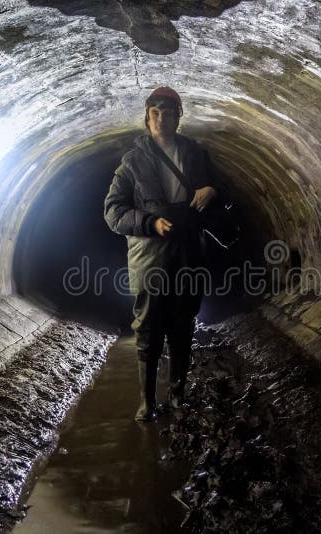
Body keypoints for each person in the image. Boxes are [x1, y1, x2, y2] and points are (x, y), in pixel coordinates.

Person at [103, 86, 229, 422]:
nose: (162, 119)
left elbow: (222, 187)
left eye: (169, 113)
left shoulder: (194, 153)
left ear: (179, 117)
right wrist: (148, 221)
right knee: (147, 327)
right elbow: (113, 212)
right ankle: (147, 401)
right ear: (147, 117)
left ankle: (177, 393)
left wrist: (211, 188)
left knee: (183, 324)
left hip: (189, 249)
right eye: (156, 113)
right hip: (149, 255)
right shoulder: (132, 161)